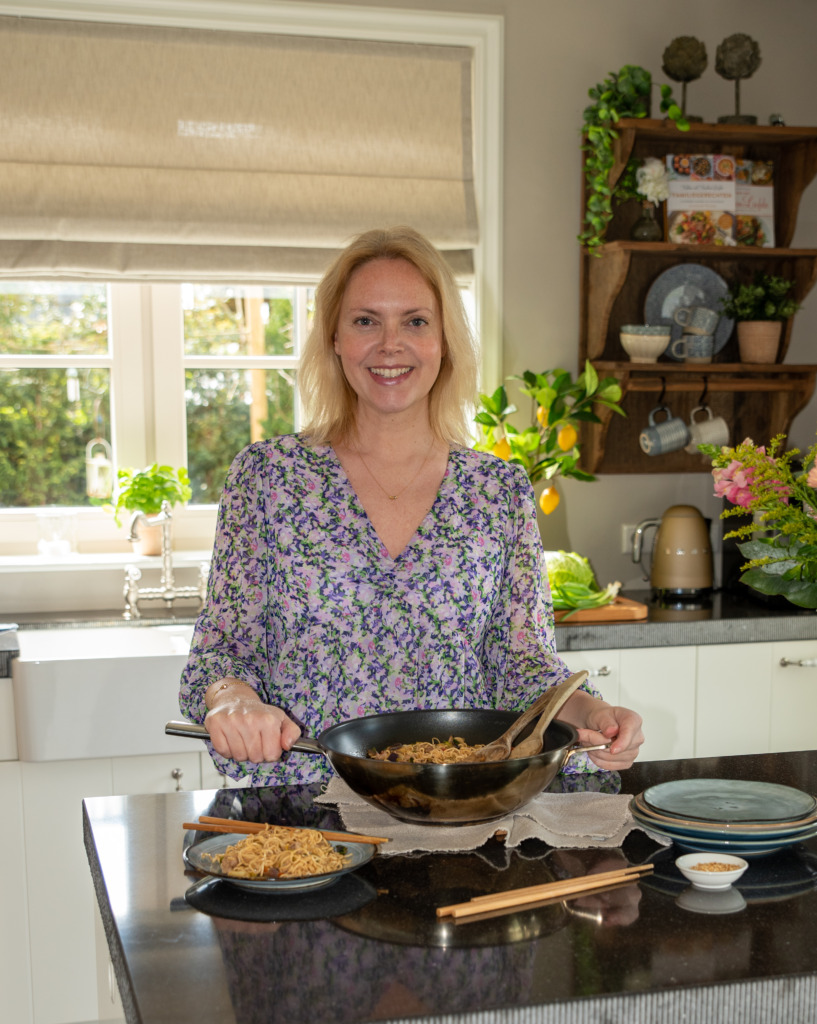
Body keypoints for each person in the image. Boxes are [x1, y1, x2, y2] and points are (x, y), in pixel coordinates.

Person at [179, 226, 644, 784]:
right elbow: (220, 651)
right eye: (365, 320)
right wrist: (230, 701)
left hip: (457, 807)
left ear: (444, 339)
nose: (389, 345)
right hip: (306, 807)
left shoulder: (497, 490)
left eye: (415, 321)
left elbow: (524, 666)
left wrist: (591, 712)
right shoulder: (268, 478)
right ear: (334, 338)